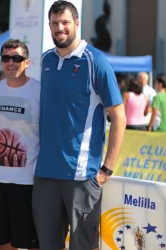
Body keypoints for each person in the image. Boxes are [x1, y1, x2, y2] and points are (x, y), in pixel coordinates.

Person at [32, 1, 126, 250]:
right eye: (54, 23)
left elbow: (119, 117)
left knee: (83, 247)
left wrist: (107, 169)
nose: (59, 28)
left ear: (76, 23)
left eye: (65, 22)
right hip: (45, 173)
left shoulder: (96, 61)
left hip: (82, 176)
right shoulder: (46, 60)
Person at [0, 39, 40, 250]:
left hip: (28, 184)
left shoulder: (39, 91)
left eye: (17, 58)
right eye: (6, 58)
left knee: (33, 244)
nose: (11, 62)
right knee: (4, 244)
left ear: (27, 62)